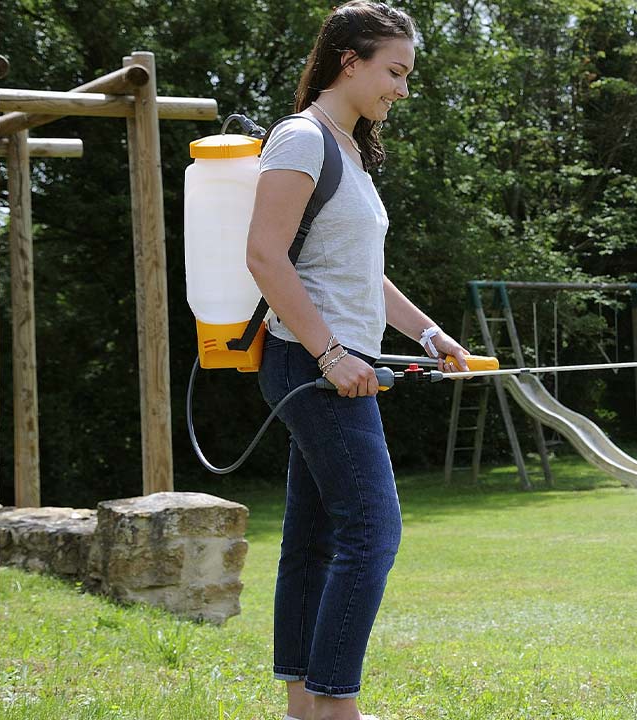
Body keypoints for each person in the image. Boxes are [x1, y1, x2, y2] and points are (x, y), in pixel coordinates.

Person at [246, 3, 468, 719]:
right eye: (393, 71)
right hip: (313, 366)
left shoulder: (346, 148)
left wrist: (431, 333)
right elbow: (264, 255)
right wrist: (332, 352)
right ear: (350, 60)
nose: (400, 89)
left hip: (337, 362)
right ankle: (335, 708)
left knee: (313, 539)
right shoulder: (302, 138)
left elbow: (354, 273)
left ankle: (304, 704)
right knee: (373, 529)